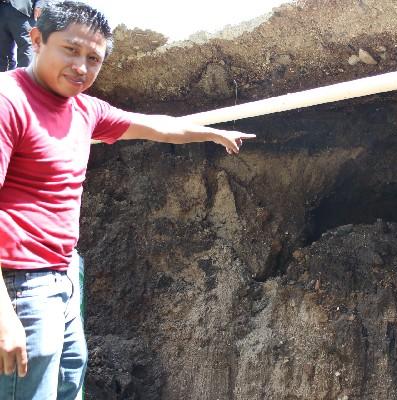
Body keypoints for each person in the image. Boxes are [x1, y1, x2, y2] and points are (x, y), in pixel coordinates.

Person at [0, 1, 255, 399]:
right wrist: (4, 317)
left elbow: (158, 127)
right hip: (20, 283)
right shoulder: (8, 100)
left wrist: (212, 133)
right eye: (70, 50)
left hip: (62, 276)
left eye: (93, 58)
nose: (81, 67)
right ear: (36, 39)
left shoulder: (84, 109)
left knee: (69, 383)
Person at [0, 0, 45, 71]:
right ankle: (5, 79)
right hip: (2, 8)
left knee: (26, 48)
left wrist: (40, 3)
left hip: (23, 11)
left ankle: (24, 78)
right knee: (2, 50)